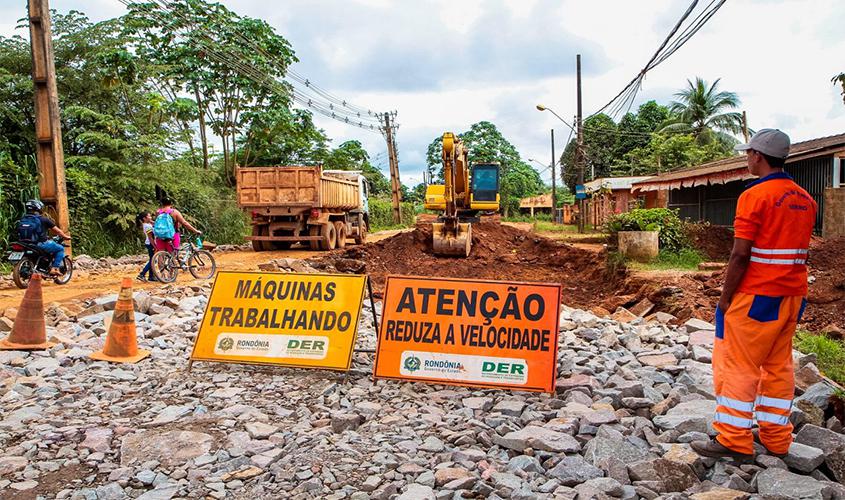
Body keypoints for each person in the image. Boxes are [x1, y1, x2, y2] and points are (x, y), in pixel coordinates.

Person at [691, 129, 817, 460]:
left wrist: (724, 298)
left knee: (738, 365)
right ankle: (777, 439)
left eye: (748, 154)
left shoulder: (754, 196)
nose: (747, 158)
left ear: (758, 156)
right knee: (778, 366)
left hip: (756, 295)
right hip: (793, 296)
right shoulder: (806, 199)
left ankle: (733, 438)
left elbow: (740, 254)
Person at [16, 199, 71, 275]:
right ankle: (55, 268)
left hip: (24, 243)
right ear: (38, 208)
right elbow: (57, 231)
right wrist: (65, 236)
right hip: (39, 244)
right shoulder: (43, 219)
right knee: (60, 248)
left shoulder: (22, 219)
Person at [135, 211, 156, 282]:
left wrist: (152, 221)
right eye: (149, 216)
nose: (151, 217)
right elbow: (150, 237)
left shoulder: (147, 224)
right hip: (150, 243)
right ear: (144, 218)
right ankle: (142, 274)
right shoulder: (147, 226)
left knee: (152, 259)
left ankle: (151, 276)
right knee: (152, 260)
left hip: (149, 243)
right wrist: (155, 246)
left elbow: (155, 224)